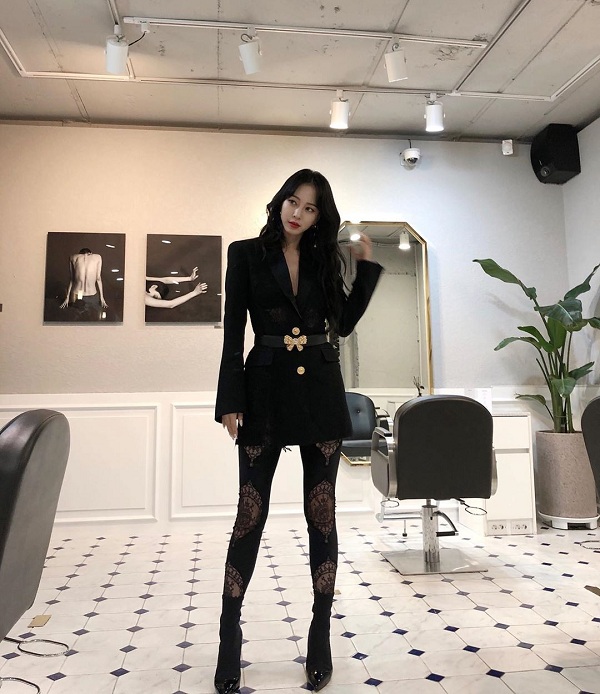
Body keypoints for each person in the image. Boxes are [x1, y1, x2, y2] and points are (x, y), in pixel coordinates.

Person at [213, 169, 383, 693]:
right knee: (250, 515)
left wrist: (366, 269)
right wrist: (229, 399)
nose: (298, 213)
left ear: (318, 217)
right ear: (280, 201)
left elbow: (342, 323)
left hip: (320, 395)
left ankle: (320, 633)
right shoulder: (245, 253)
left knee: (321, 515)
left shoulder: (323, 259)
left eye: (310, 208)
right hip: (263, 393)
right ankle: (228, 634)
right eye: (293, 201)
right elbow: (233, 329)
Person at [59, 248, 107, 315]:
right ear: (90, 253)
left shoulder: (73, 257)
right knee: (92, 315)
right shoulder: (97, 257)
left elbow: (72, 279)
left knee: (78, 315)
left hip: (78, 293)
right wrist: (102, 297)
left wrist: (67, 297)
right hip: (91, 293)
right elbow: (98, 278)